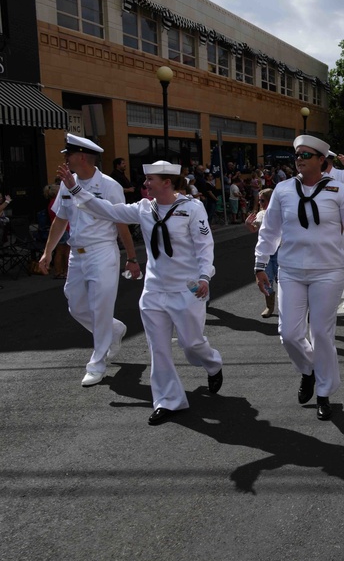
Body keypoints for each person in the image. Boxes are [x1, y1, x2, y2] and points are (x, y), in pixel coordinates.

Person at [56, 159, 224, 425]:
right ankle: (169, 401)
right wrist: (76, 190)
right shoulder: (144, 209)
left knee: (191, 344)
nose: (144, 185)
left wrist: (205, 276)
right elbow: (108, 210)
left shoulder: (192, 208)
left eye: (150, 181)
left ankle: (212, 363)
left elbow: (205, 246)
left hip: (187, 288)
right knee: (158, 348)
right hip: (155, 290)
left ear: (166, 183)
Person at [254, 136, 344, 420]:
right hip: (291, 271)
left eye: (307, 155)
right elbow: (270, 231)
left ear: (322, 160)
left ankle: (324, 392)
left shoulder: (339, 190)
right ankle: (309, 370)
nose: (300, 159)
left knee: (321, 333)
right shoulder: (283, 190)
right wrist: (260, 264)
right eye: (297, 154)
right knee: (289, 334)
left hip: (328, 272)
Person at [38, 134, 138, 387]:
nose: (65, 159)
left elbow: (121, 222)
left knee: (100, 308)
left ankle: (97, 362)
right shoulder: (66, 185)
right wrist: (47, 251)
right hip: (76, 253)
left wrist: (132, 258)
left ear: (81, 156)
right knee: (76, 305)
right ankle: (114, 330)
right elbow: (61, 219)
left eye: (68, 155)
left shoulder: (109, 185)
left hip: (102, 251)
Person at [246, 188, 278, 318]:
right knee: (267, 279)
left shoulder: (281, 212)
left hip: (281, 250)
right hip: (266, 252)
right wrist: (248, 224)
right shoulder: (261, 214)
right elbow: (254, 229)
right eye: (259, 201)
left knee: (285, 280)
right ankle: (269, 307)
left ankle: (298, 308)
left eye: (263, 200)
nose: (261, 203)